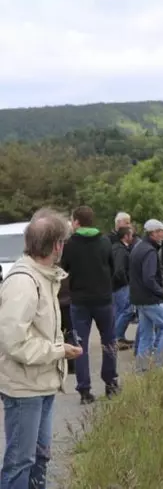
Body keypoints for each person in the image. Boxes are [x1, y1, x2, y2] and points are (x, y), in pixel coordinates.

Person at [0, 209, 83, 489]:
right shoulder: (24, 281)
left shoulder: (45, 276)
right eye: (63, 242)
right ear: (57, 245)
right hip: (24, 388)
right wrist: (59, 351)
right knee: (19, 462)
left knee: (40, 458)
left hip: (42, 383)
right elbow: (14, 341)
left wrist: (59, 349)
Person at [60, 206, 119, 404]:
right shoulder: (104, 241)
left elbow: (64, 268)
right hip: (103, 299)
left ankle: (84, 390)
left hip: (80, 301)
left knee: (80, 345)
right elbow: (112, 267)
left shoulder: (70, 245)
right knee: (109, 341)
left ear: (76, 222)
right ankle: (111, 383)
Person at [129, 219, 163, 372]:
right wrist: (162, 292)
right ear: (154, 233)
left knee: (146, 335)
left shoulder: (138, 247)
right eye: (161, 231)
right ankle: (159, 365)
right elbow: (149, 278)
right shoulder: (150, 251)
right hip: (150, 299)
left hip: (139, 298)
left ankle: (141, 370)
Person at [112, 226, 135, 350]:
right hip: (121, 286)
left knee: (120, 312)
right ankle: (117, 337)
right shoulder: (121, 250)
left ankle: (118, 337)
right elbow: (119, 270)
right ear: (126, 236)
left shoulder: (116, 248)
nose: (133, 237)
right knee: (128, 310)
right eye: (131, 235)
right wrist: (127, 283)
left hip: (116, 286)